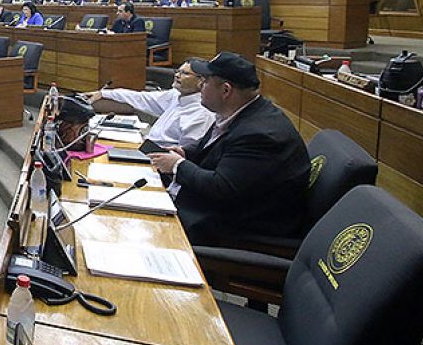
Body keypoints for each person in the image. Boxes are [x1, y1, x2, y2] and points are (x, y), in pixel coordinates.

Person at [149, 53, 310, 245]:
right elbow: (218, 149)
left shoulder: (259, 135)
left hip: (234, 227)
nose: (200, 86)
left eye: (206, 81)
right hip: (213, 208)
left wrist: (178, 165)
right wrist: (186, 153)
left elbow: (221, 187)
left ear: (226, 90)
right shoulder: (238, 111)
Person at [85, 61, 213, 148]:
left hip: (159, 161)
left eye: (184, 73)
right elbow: (141, 97)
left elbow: (185, 155)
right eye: (177, 71)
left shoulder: (202, 114)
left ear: (201, 81)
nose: (177, 76)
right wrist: (104, 93)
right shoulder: (175, 95)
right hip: (145, 146)